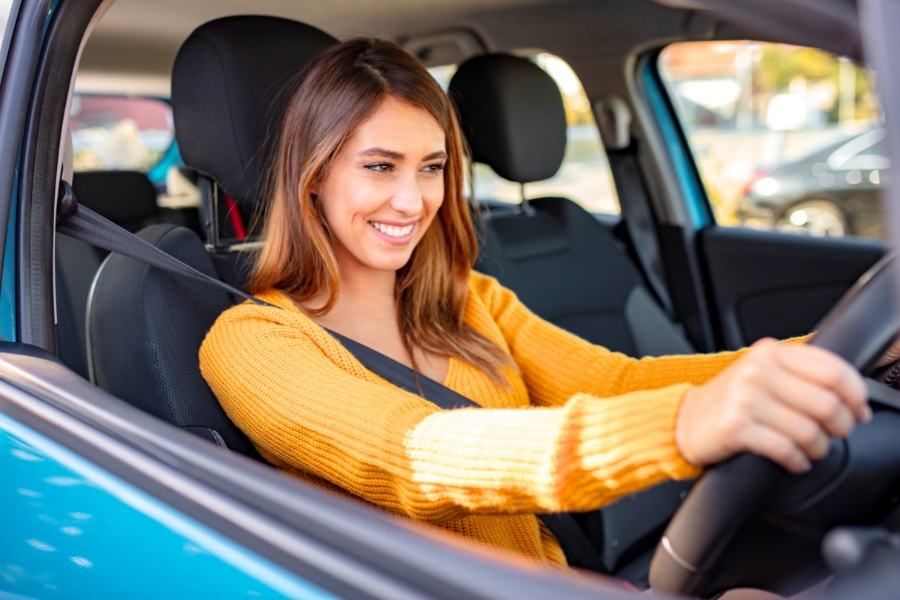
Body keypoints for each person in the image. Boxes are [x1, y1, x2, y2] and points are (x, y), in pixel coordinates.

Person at [198, 38, 891, 573]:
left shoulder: (467, 299)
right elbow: (413, 455)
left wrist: (832, 355)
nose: (413, 202)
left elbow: (617, 382)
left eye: (431, 168)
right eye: (379, 166)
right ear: (313, 175)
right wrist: (683, 426)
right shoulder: (253, 340)